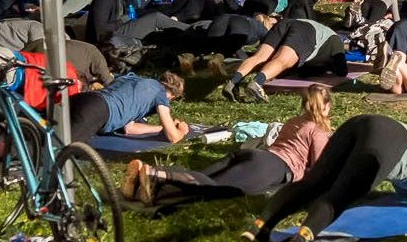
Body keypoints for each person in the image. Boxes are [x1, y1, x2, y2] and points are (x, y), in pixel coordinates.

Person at [243, 114, 407, 242]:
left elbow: (403, 191)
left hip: (363, 124)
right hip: (388, 139)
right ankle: (303, 238)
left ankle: (260, 228)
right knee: (344, 193)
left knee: (315, 182)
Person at [127, 85, 333, 207]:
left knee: (204, 181)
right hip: (274, 167)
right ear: (326, 105)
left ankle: (144, 186)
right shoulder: (318, 131)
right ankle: (156, 173)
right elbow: (321, 169)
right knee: (214, 189)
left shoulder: (293, 121)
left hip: (254, 156)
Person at [222, 14, 343, 103]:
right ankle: (257, 83)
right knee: (282, 60)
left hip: (286, 23)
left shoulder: (326, 33)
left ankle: (233, 82)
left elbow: (303, 71)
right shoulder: (337, 41)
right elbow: (342, 70)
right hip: (306, 32)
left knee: (260, 57)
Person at [69, 70, 187, 144]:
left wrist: (161, 128)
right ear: (172, 96)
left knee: (54, 141)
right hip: (99, 110)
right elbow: (173, 137)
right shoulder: (161, 94)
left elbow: (129, 128)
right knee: (64, 155)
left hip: (84, 99)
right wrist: (181, 130)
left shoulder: (132, 79)